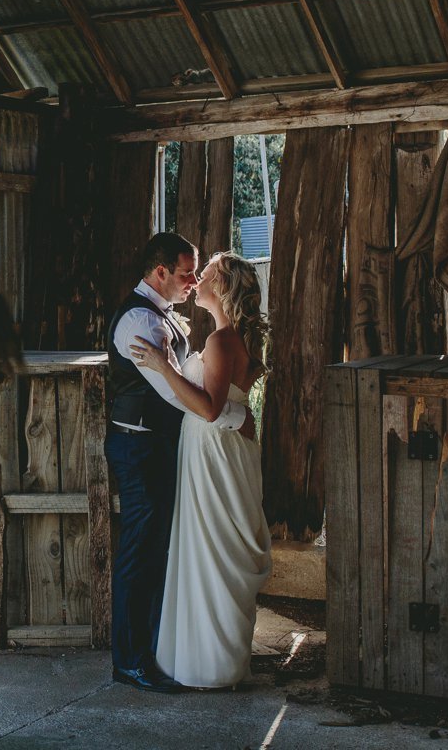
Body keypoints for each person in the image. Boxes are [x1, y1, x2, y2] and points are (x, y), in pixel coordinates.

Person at [130, 251, 273, 690]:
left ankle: (210, 665)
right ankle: (217, 659)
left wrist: (161, 366)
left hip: (212, 451)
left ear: (224, 287)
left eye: (205, 275)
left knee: (210, 548)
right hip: (222, 449)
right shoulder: (230, 339)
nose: (195, 281)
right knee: (211, 548)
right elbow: (229, 405)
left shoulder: (221, 341)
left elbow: (210, 409)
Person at [105, 232, 199, 693]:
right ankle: (130, 661)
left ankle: (151, 649)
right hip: (139, 449)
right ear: (160, 271)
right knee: (138, 556)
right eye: (186, 273)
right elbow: (172, 394)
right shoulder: (140, 321)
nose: (193, 282)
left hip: (156, 448)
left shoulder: (162, 316)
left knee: (155, 551)